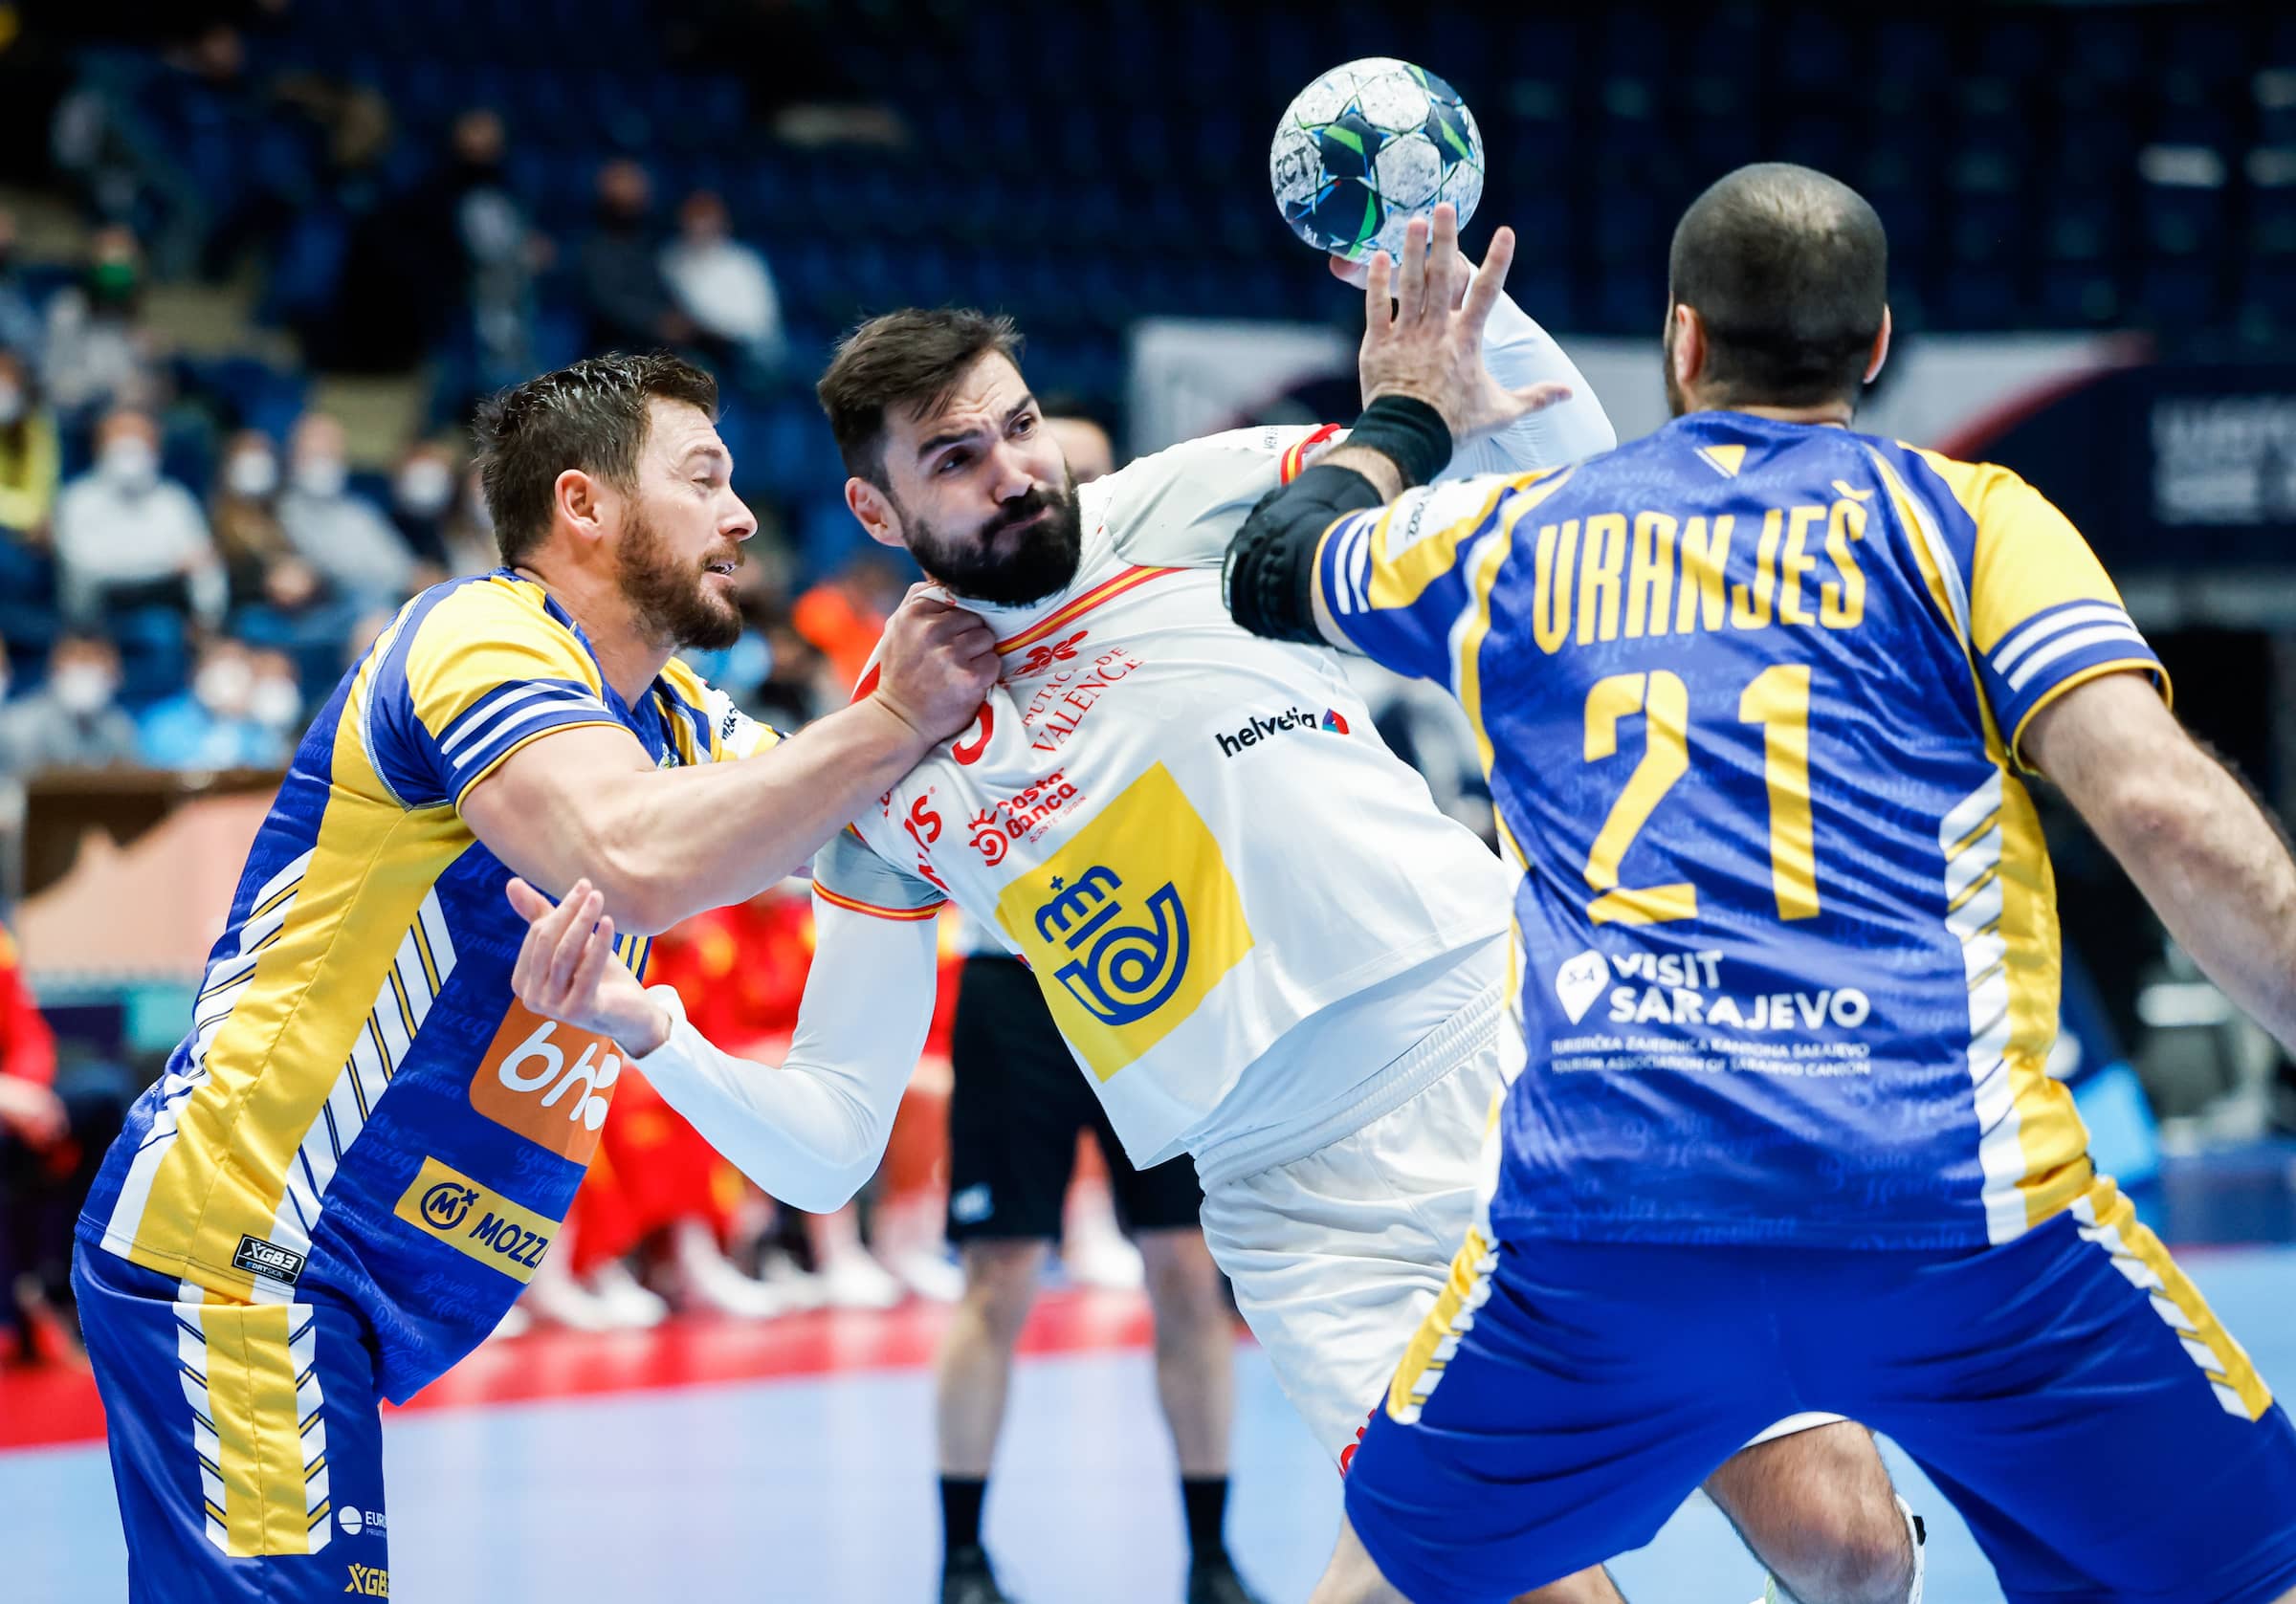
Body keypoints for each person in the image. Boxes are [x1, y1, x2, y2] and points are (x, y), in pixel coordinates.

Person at [505, 292, 1924, 1604]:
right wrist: (651, 1033)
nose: (1015, 471)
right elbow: (829, 1150)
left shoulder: (1182, 504)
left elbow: (1555, 484)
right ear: (877, 507)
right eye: (955, 459)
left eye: (1017, 427)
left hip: (1530, 1074)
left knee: (1851, 1551)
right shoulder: (879, 771)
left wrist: (1449, 294)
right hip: (1312, 1218)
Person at [1221, 175, 2296, 1604]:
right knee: (2244, 1562)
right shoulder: (1973, 523)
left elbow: (1270, 568)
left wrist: (1411, 413)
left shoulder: (1511, 538)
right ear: (1877, 344)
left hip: (1608, 1229)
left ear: (1682, 339)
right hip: (1947, 1211)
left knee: (1409, 1565)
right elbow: (2158, 804)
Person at [70, 350, 997, 1604]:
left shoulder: (678, 714)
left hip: (355, 1284)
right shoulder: (477, 636)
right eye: (704, 478)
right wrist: (891, 721)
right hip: (247, 1251)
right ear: (583, 504)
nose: (741, 516)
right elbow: (629, 857)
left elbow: (850, 815)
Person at [926, 411, 1261, 1604]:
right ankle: (962, 1559)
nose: (1024, 482)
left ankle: (1211, 1557)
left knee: (1187, 1272)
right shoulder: (948, 638)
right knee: (998, 1274)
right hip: (1017, 986)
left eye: (1060, 466)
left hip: (1155, 983)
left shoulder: (1167, 613)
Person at [52, 406, 225, 629]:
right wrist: (168, 565)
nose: (130, 446)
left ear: (157, 447)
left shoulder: (175, 501)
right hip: (94, 619)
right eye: (120, 435)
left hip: (162, 611)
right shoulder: (76, 500)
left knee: (161, 628)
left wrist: (207, 621)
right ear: (98, 445)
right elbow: (87, 567)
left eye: (140, 437)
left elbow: (203, 564)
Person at [276, 411, 419, 609]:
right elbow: (322, 570)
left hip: (379, 606)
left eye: (329, 454)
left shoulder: (359, 512)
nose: (322, 465)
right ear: (292, 458)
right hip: (320, 611)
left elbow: (400, 569)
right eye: (313, 455)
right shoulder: (280, 511)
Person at [660, 188, 786, 377]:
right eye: (694, 220)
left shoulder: (743, 261)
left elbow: (759, 323)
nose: (699, 227)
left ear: (722, 223)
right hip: (696, 349)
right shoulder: (670, 259)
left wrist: (710, 327)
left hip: (745, 351)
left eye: (706, 220)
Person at [0, 632, 139, 772]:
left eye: (95, 659)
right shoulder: (18, 724)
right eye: (77, 657)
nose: (85, 667)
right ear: (52, 667)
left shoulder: (120, 726)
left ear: (117, 673)